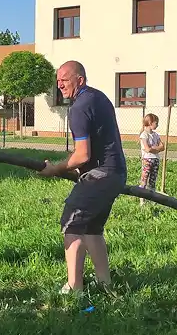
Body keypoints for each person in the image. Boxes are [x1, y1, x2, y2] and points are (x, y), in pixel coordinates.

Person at [40, 61, 126, 294]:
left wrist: (55, 169)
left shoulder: (79, 107)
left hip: (99, 175)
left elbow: (82, 154)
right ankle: (104, 284)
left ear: (80, 80)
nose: (60, 85)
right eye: (58, 81)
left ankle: (74, 288)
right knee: (93, 229)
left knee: (72, 225)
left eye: (65, 80)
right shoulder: (100, 98)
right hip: (117, 173)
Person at [138, 113, 164, 202]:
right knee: (144, 179)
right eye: (156, 123)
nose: (157, 125)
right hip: (147, 160)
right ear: (150, 123)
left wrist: (154, 148)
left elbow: (162, 146)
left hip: (155, 159)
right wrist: (156, 148)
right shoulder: (144, 135)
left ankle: (152, 199)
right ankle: (142, 200)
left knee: (153, 180)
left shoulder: (156, 135)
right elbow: (147, 149)